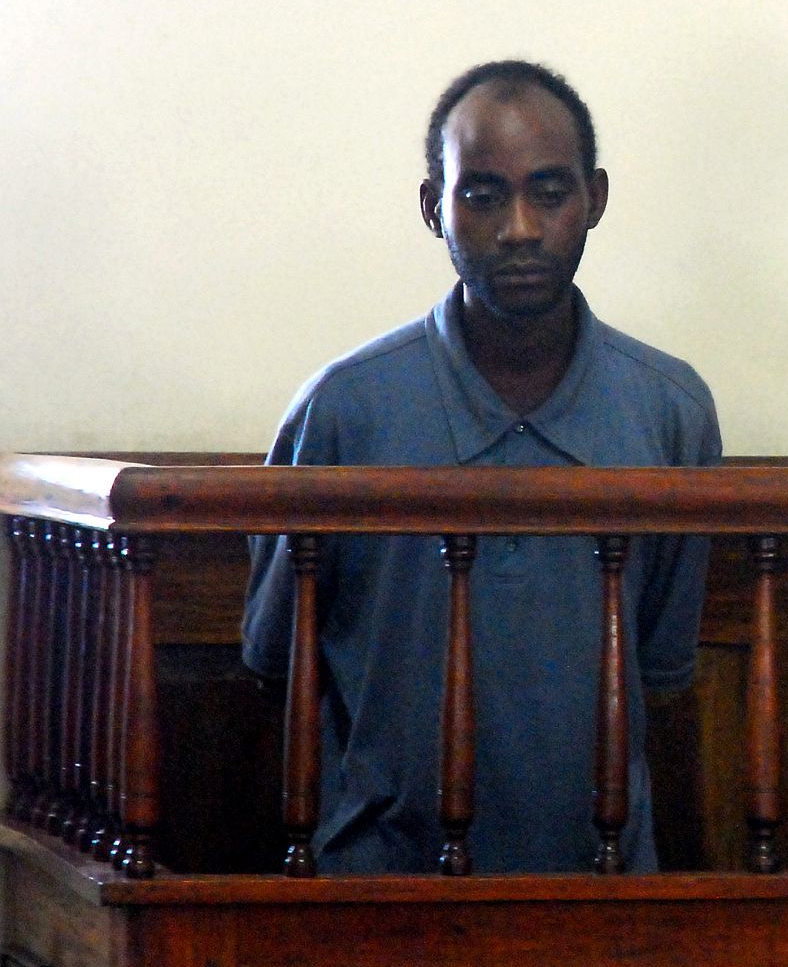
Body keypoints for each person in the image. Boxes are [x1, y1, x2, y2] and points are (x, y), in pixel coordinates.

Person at [243, 60, 720, 873]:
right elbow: (280, 657)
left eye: (551, 191)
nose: (522, 228)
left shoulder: (669, 411)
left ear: (595, 198)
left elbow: (661, 660)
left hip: (601, 884)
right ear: (434, 207)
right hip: (380, 884)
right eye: (484, 195)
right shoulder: (343, 412)